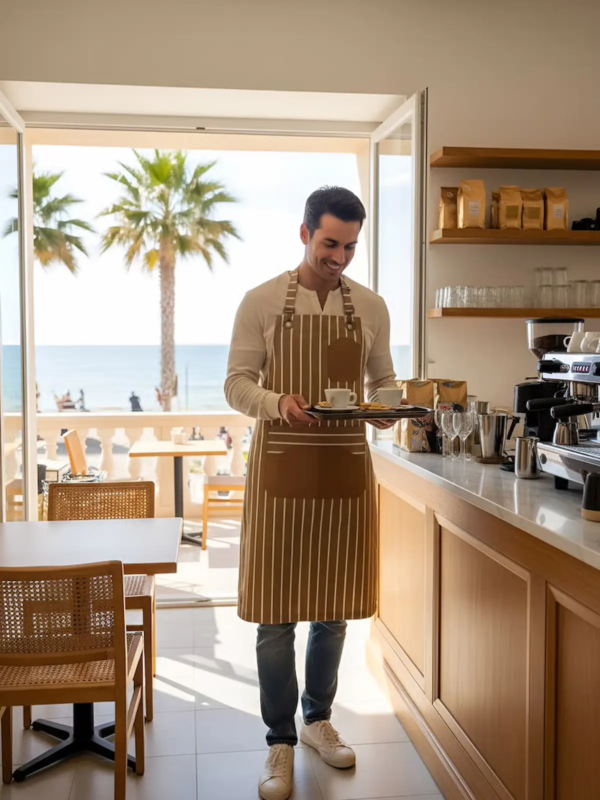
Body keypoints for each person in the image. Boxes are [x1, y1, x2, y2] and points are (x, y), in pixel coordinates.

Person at [225, 186, 398, 800]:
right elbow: (236, 384)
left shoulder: (370, 306)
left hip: (343, 472)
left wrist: (388, 409)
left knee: (333, 609)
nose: (339, 258)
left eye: (350, 247)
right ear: (304, 233)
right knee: (276, 618)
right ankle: (279, 740)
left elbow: (383, 379)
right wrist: (278, 403)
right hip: (281, 472)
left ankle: (317, 720)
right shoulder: (262, 301)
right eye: (329, 244)